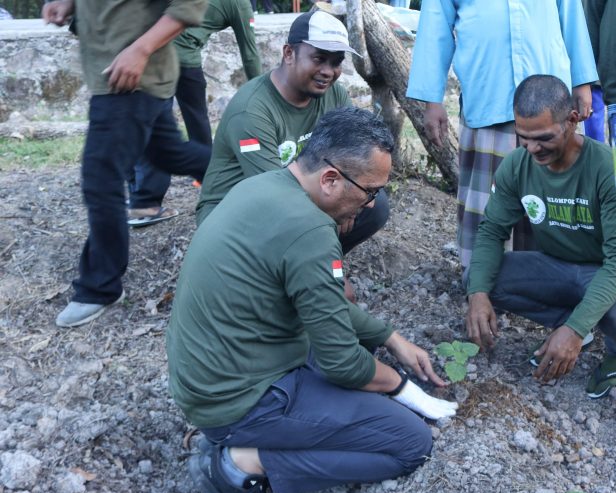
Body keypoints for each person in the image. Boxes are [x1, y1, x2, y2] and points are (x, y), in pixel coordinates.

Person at [168, 107, 457, 493]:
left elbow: (320, 308)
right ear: (330, 179)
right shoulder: (310, 233)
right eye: (370, 191)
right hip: (238, 402)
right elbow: (342, 361)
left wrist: (388, 336)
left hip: (211, 378)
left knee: (361, 357)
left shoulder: (264, 186)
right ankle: (240, 464)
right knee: (410, 442)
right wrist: (406, 391)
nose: (372, 203)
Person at [465, 75, 616, 398]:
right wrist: (478, 295)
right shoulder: (518, 165)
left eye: (542, 137)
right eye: (523, 137)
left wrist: (573, 330)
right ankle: (579, 322)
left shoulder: (608, 169)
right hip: (561, 266)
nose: (531, 148)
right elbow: (491, 231)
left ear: (572, 121)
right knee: (479, 277)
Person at [43, 0, 209, 328]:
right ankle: (252, 174)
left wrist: (141, 49)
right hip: (123, 74)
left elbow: (189, 3)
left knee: (100, 179)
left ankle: (99, 288)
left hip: (131, 78)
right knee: (170, 154)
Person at [406, 0, 598, 271]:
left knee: (551, 192)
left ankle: (548, 271)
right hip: (488, 92)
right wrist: (432, 100)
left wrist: (582, 81)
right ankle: (482, 273)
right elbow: (434, 25)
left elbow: (572, 16)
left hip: (549, 95)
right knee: (489, 196)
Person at [195, 9, 388, 244]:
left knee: (372, 205)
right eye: (318, 58)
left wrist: (347, 203)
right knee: (294, 221)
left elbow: (356, 156)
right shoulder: (252, 109)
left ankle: (314, 263)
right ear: (289, 53)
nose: (328, 71)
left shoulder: (334, 94)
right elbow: (273, 195)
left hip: (293, 194)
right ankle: (291, 270)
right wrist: (334, 209)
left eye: (336, 62)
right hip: (235, 212)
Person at [128, 0, 263, 227]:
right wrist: (260, 92)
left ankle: (143, 198)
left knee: (152, 126)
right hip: (181, 61)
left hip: (151, 52)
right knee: (195, 123)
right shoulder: (240, 4)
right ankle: (210, 186)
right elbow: (249, 54)